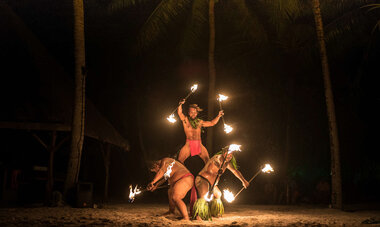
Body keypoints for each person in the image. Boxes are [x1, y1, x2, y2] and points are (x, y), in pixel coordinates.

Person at [192, 147, 249, 220]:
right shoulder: (217, 158)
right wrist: (219, 166)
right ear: (223, 154)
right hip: (203, 179)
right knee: (204, 195)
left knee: (218, 194)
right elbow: (216, 160)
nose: (229, 156)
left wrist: (243, 181)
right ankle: (198, 215)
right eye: (227, 154)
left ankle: (214, 213)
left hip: (213, 184)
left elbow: (235, 171)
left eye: (230, 155)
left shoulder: (227, 163)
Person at [177, 99, 224, 166]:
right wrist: (180, 104)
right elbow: (180, 113)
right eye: (191, 112)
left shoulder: (199, 122)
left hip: (199, 144)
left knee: (208, 162)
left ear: (197, 113)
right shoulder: (185, 120)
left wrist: (218, 116)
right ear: (188, 113)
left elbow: (212, 123)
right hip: (188, 145)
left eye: (195, 112)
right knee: (179, 162)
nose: (193, 114)